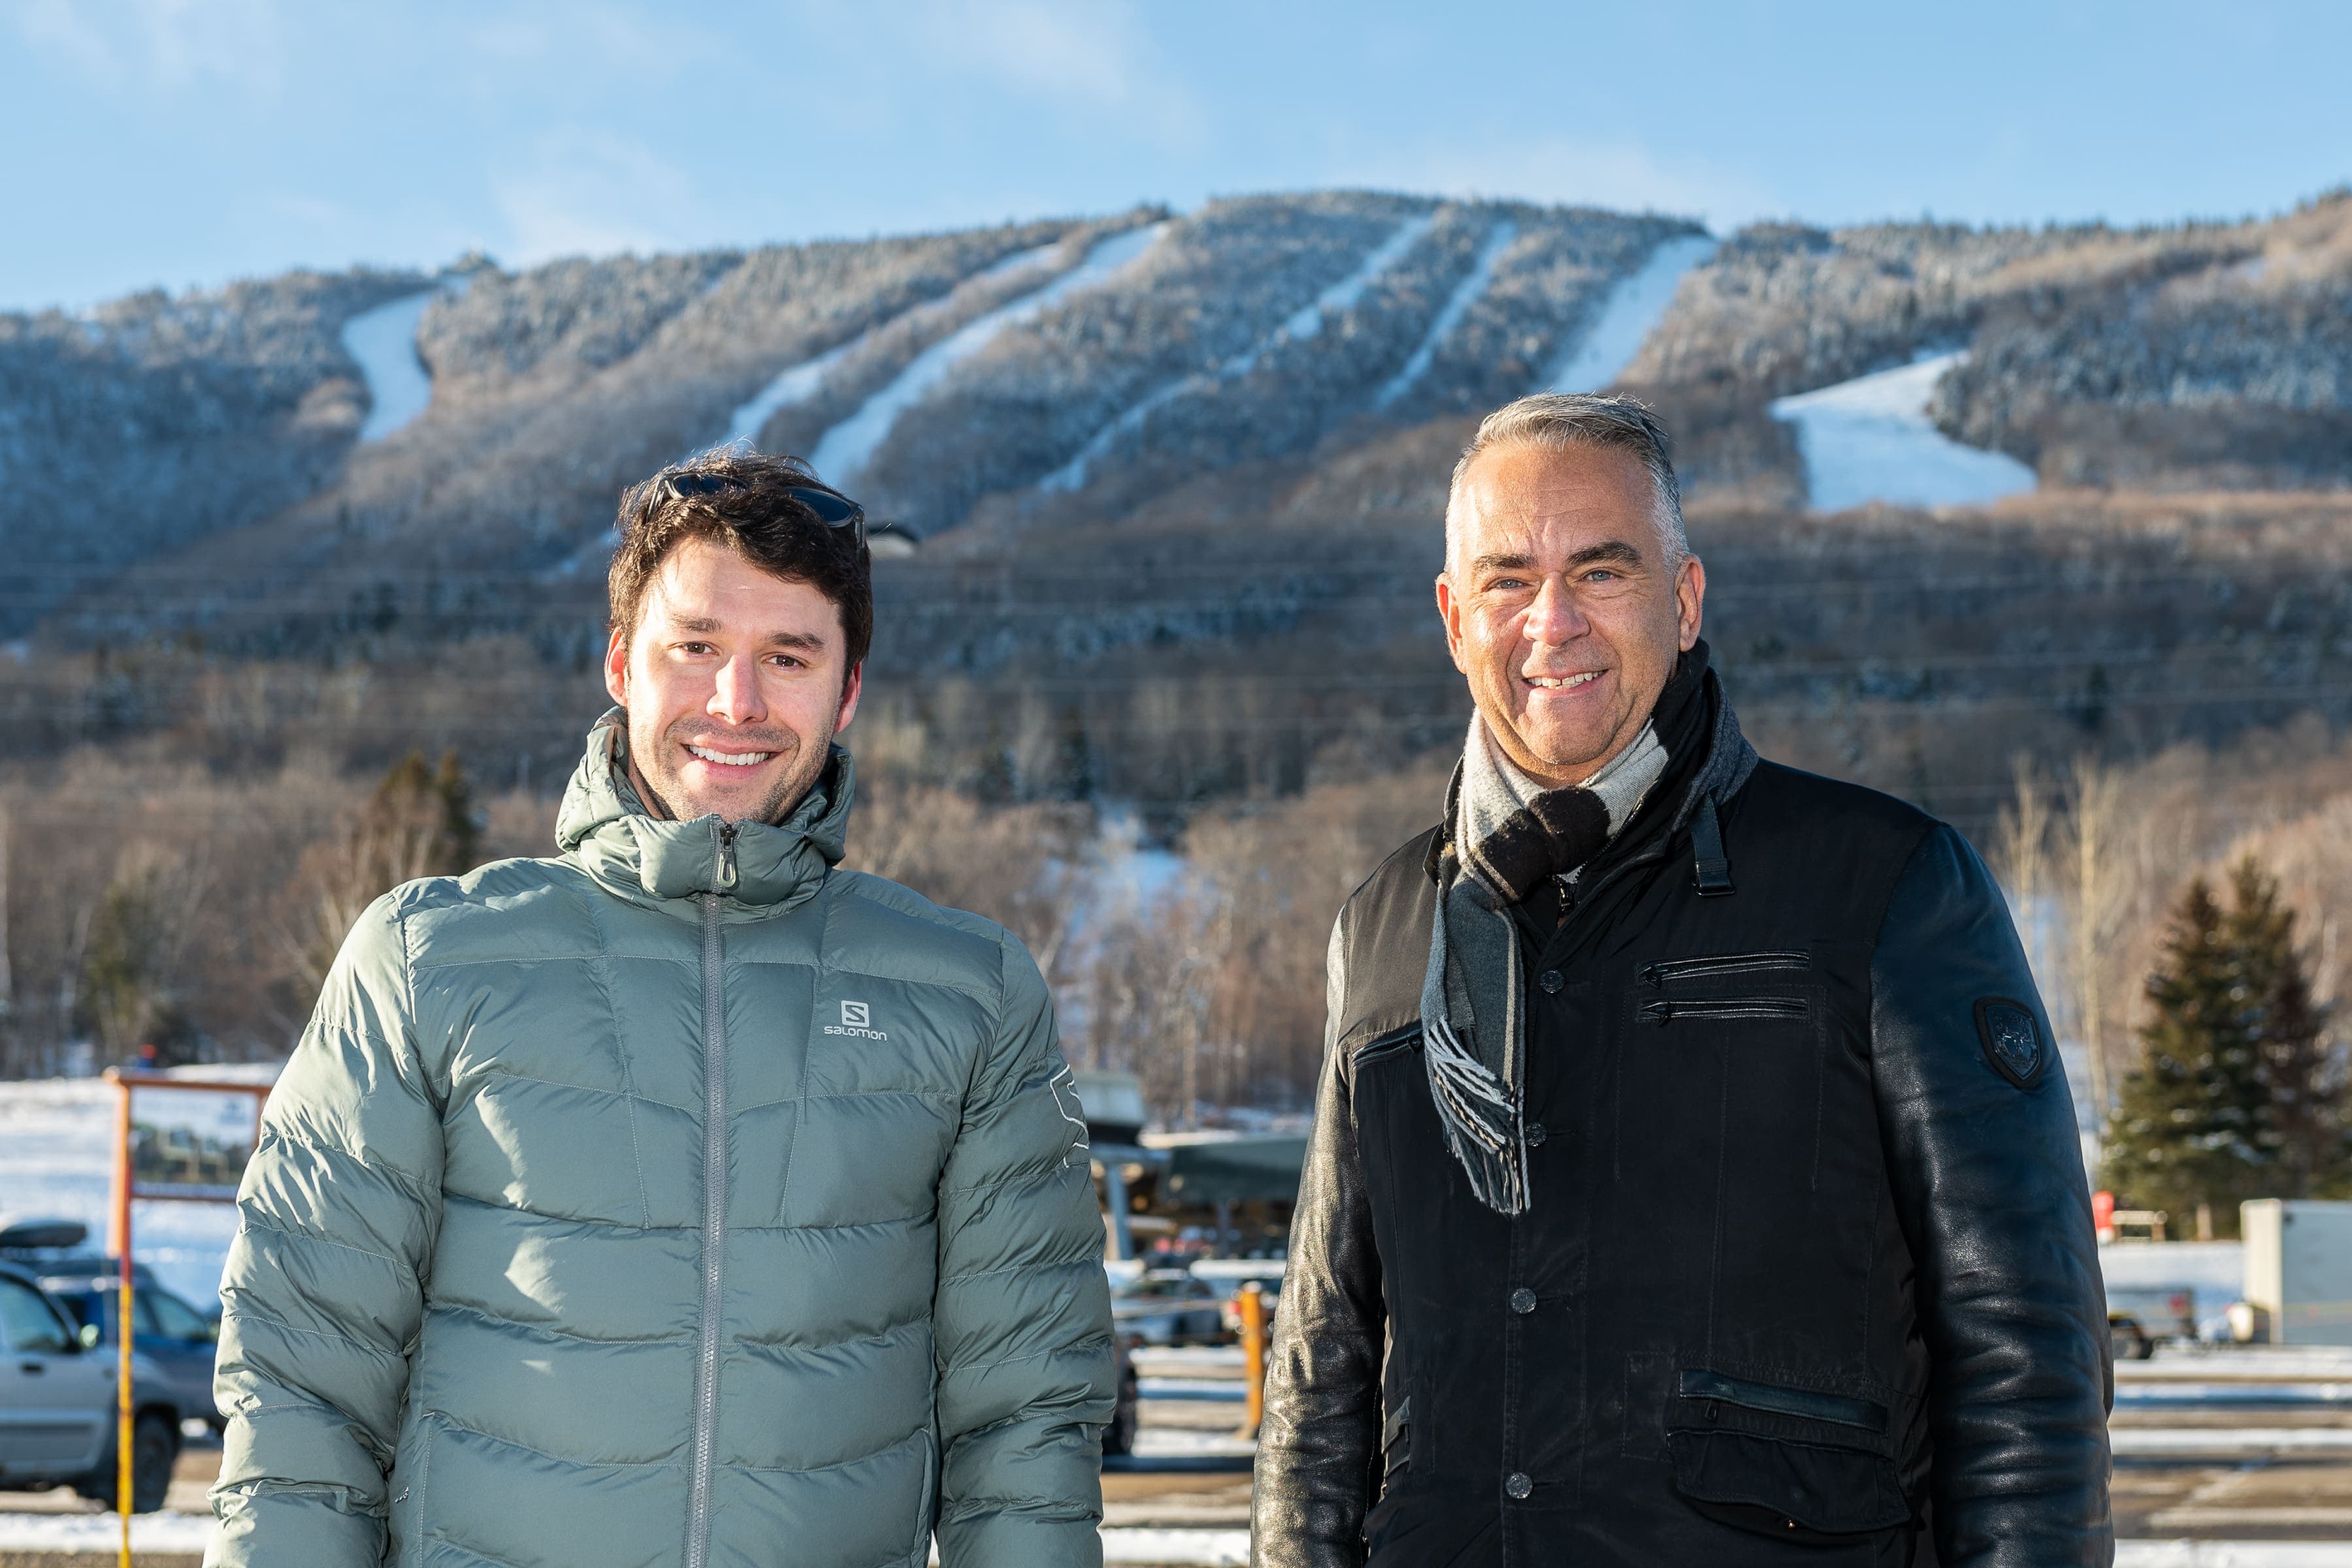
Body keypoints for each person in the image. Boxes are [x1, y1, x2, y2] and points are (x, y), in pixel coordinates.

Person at [208, 451, 1114, 1568]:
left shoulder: (966, 990)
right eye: (696, 648)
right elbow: (302, 1383)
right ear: (621, 665)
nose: (737, 702)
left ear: (849, 689)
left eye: (788, 656)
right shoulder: (429, 957)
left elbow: (1025, 1421)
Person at [1251, 395, 2110, 1566]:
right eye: (1508, 579)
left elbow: (2027, 1355)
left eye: (1601, 571)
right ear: (1455, 620)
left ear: (1686, 599)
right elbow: (1322, 1373)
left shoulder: (1886, 888)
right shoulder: (1388, 928)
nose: (1552, 623)